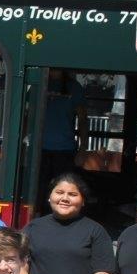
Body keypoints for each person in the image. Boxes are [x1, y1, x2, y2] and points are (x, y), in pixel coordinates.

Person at [38, 69, 87, 212]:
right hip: (39, 149)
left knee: (63, 189)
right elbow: (27, 113)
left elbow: (83, 119)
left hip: (65, 150)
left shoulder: (74, 87)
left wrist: (83, 149)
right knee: (39, 192)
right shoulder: (40, 83)